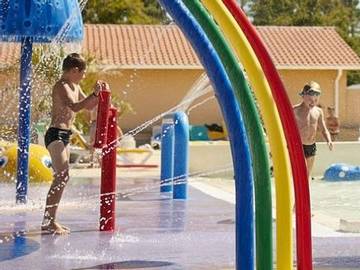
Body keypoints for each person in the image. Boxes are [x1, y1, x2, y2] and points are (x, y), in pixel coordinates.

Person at [41, 53, 103, 235]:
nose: (83, 76)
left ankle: (49, 219)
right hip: (55, 134)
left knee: (63, 177)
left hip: (65, 135)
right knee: (62, 175)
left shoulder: (75, 85)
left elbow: (89, 106)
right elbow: (75, 106)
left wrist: (99, 94)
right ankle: (49, 221)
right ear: (75, 70)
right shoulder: (61, 86)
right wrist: (94, 94)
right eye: (83, 73)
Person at [293, 81, 333, 180]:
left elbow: (324, 129)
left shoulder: (318, 112)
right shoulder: (295, 110)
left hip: (311, 145)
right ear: (303, 96)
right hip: (298, 145)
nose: (313, 102)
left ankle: (305, 194)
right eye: (310, 99)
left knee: (307, 175)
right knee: (300, 170)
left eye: (315, 100)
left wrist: (329, 140)